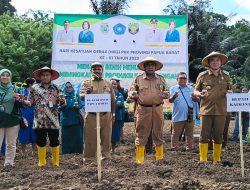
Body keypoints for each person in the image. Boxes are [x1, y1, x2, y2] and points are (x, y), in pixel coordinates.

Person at [128, 57, 169, 164]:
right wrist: (132, 94)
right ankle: (139, 159)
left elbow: (166, 92)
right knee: (141, 133)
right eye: (148, 65)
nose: (150, 67)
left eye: (152, 65)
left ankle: (159, 158)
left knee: (158, 132)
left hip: (158, 109)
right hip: (143, 110)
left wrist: (165, 94)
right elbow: (131, 91)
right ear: (144, 67)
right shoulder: (138, 79)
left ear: (155, 67)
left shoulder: (161, 79)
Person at [194, 52, 231, 163]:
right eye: (212, 60)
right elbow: (195, 91)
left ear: (220, 62)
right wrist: (199, 94)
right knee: (204, 135)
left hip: (221, 110)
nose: (215, 62)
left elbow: (231, 89)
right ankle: (203, 159)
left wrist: (230, 92)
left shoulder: (226, 76)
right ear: (209, 63)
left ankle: (216, 159)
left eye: (217, 60)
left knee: (218, 135)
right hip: (206, 110)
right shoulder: (202, 75)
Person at [80, 62, 115, 161]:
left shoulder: (108, 83)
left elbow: (113, 100)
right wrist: (87, 93)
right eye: (94, 69)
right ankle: (89, 158)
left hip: (106, 115)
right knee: (90, 138)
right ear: (91, 71)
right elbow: (81, 97)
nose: (97, 71)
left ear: (102, 71)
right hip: (92, 116)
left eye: (99, 69)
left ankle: (106, 157)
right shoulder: (86, 83)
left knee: (106, 137)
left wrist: (113, 114)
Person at [29, 67, 61, 167]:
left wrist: (62, 100)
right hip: (39, 119)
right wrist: (22, 101)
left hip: (53, 119)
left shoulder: (56, 87)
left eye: (47, 75)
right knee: (40, 140)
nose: (45, 77)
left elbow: (62, 100)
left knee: (54, 141)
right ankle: (41, 161)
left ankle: (56, 162)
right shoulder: (34, 88)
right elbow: (30, 102)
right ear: (40, 77)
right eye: (43, 75)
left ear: (51, 76)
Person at [0, 69, 24, 167]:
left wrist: (19, 100)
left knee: (11, 143)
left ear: (10, 77)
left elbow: (20, 105)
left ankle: (9, 163)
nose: (5, 77)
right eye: (3, 75)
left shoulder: (15, 89)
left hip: (12, 120)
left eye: (7, 75)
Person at [169, 72, 199, 151]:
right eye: (180, 78)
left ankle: (189, 148)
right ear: (177, 79)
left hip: (190, 114)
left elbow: (197, 100)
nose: (182, 79)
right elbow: (170, 100)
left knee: (189, 133)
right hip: (178, 115)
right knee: (175, 133)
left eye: (184, 78)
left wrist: (194, 98)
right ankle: (174, 148)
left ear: (186, 79)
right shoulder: (173, 88)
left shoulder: (191, 88)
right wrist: (173, 96)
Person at [59, 82, 84, 154]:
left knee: (78, 136)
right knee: (66, 137)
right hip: (66, 120)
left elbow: (81, 104)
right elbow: (57, 108)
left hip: (76, 120)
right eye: (67, 87)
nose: (68, 88)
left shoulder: (75, 96)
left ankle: (78, 151)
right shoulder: (62, 97)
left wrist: (77, 107)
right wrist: (62, 106)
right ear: (65, 88)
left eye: (70, 87)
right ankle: (66, 151)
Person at [18, 77, 36, 157]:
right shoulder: (21, 92)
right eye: (34, 83)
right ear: (30, 84)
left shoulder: (35, 92)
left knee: (34, 133)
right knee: (23, 132)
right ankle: (23, 152)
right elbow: (19, 103)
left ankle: (34, 151)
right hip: (24, 115)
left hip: (34, 115)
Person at [111, 77, 127, 143]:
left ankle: (119, 140)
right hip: (108, 114)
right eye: (112, 83)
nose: (114, 85)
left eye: (115, 83)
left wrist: (121, 105)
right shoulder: (106, 93)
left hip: (118, 113)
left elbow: (123, 102)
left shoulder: (120, 92)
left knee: (118, 128)